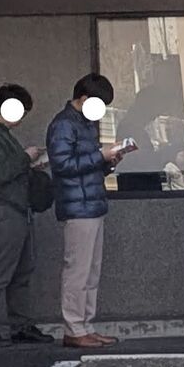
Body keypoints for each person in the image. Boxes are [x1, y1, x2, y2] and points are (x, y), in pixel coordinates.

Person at [0, 84, 54, 348]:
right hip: (3, 210)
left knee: (21, 271)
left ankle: (20, 325)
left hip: (14, 209)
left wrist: (29, 163)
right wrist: (25, 158)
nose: (22, 117)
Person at [48, 73, 121, 349]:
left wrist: (109, 161)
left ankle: (85, 326)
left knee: (91, 271)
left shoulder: (84, 124)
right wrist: (100, 156)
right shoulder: (63, 125)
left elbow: (86, 166)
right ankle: (74, 328)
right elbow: (62, 165)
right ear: (84, 98)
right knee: (78, 271)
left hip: (91, 204)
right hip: (77, 206)